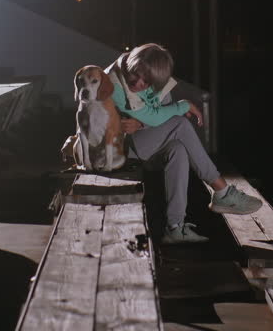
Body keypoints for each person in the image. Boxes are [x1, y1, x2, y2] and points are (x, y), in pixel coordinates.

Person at [105, 43, 262, 244]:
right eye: (137, 76)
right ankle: (221, 190)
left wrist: (149, 119)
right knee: (179, 123)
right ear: (132, 65)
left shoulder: (152, 76)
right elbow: (157, 118)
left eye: (148, 81)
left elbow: (156, 116)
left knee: (178, 150)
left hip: (145, 145)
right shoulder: (114, 81)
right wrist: (182, 106)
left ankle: (175, 227)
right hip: (121, 149)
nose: (141, 84)